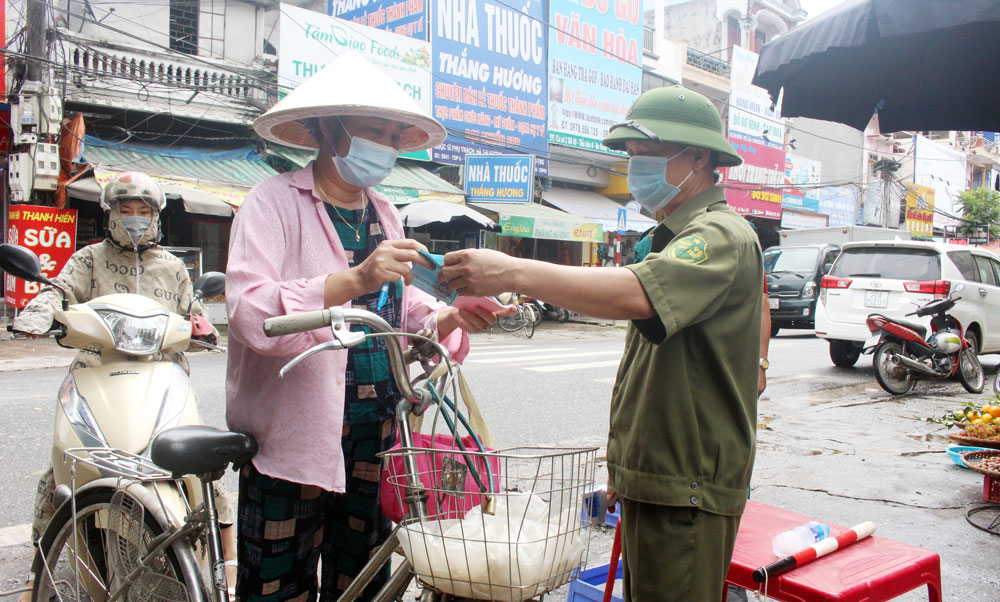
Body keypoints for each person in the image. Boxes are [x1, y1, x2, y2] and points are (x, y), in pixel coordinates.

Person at [439, 85, 764, 601]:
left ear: (697, 157)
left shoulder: (719, 233)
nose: (634, 169)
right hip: (659, 476)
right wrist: (626, 467)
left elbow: (634, 293)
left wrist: (512, 269)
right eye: (631, 156)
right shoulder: (674, 239)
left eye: (645, 155)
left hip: (689, 485)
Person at [225, 52, 502, 602]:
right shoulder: (270, 203)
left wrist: (450, 316)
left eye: (396, 136)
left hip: (377, 435)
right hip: (294, 436)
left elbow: (396, 308)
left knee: (367, 583)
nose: (388, 146)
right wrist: (352, 280)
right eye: (375, 131)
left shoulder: (385, 211)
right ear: (329, 130)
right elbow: (250, 312)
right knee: (279, 586)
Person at [10, 170, 238, 601]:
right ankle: (37, 573)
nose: (134, 218)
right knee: (58, 471)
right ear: (111, 214)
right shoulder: (88, 259)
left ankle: (229, 563)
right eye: (125, 210)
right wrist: (39, 310)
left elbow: (191, 310)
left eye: (143, 211)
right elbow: (59, 291)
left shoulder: (173, 268)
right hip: (97, 368)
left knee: (202, 467)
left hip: (162, 370)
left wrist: (202, 325)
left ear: (156, 217)